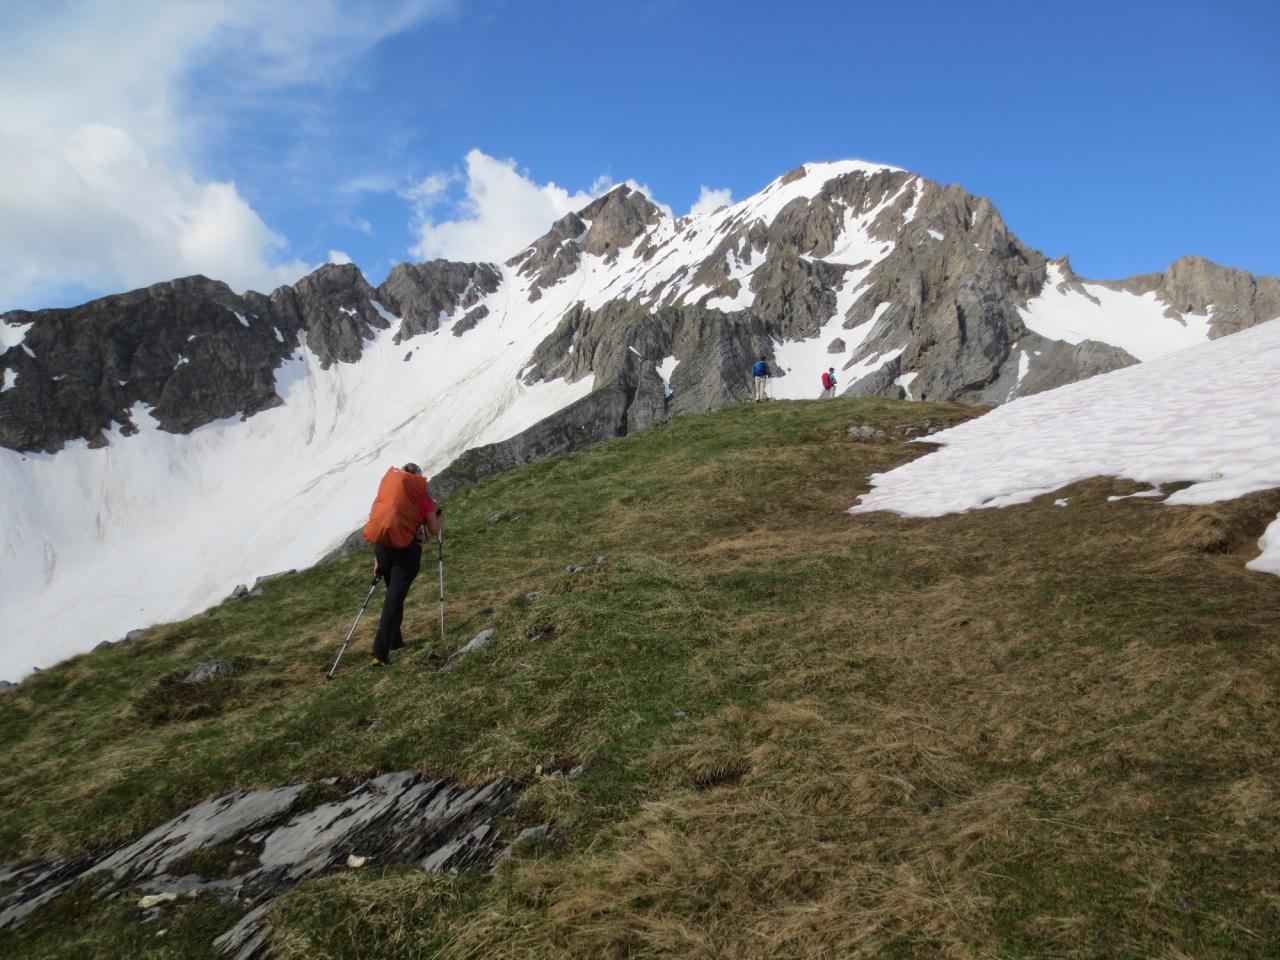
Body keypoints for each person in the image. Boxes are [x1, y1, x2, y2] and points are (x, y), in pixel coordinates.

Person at [370, 463, 441, 667]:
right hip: (407, 552)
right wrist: (440, 517)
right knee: (394, 599)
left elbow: (382, 522)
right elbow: (434, 529)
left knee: (394, 595)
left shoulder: (391, 496)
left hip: (383, 548)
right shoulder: (424, 499)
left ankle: (394, 641)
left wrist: (377, 560)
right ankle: (379, 653)